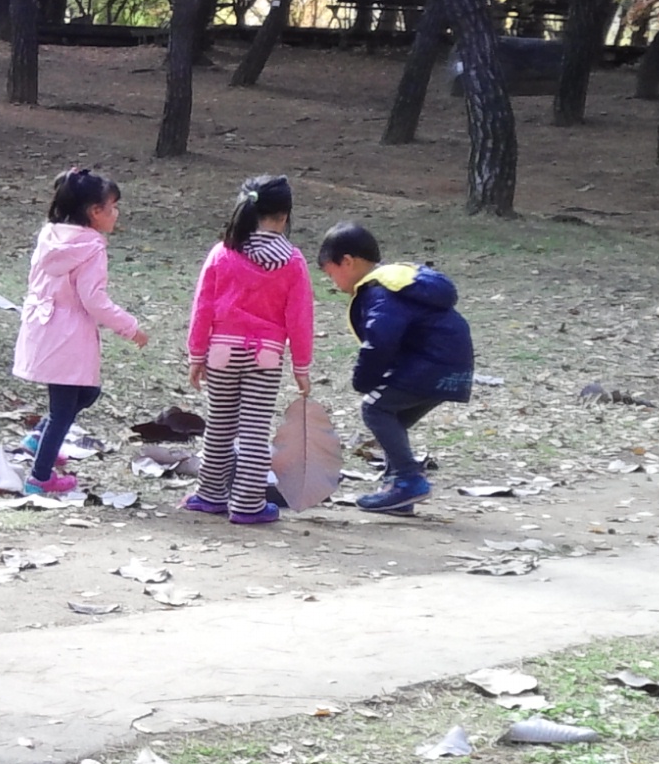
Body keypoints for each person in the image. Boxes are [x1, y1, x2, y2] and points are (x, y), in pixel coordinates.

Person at [183, 175, 315, 526]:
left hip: (221, 352)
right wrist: (301, 367)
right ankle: (247, 503)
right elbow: (300, 318)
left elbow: (202, 307)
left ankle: (210, 495)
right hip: (265, 357)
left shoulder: (222, 252)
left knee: (219, 427)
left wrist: (196, 354)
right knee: (255, 430)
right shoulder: (293, 261)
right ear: (284, 216)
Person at [318, 222, 476, 514]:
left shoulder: (380, 292)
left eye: (331, 273)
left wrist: (364, 379)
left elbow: (381, 339)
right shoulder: (400, 283)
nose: (333, 283)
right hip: (453, 365)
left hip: (431, 363)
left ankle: (408, 480)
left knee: (374, 408)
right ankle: (396, 490)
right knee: (393, 417)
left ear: (348, 262)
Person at [11, 166, 149, 497]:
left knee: (85, 394)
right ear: (95, 211)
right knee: (63, 410)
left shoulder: (50, 236)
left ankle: (39, 439)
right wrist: (130, 327)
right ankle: (39, 478)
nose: (116, 214)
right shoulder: (91, 248)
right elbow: (94, 299)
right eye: (113, 207)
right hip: (68, 335)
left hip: (42, 327)